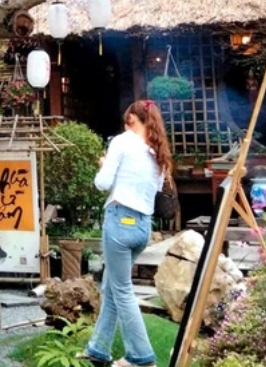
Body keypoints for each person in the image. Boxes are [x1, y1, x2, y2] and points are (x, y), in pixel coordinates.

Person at [83, 99, 172, 367]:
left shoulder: (122, 142)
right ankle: (98, 348)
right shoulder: (159, 153)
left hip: (120, 221)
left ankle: (141, 357)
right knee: (111, 285)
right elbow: (151, 190)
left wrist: (103, 164)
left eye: (126, 119)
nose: (125, 124)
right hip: (142, 227)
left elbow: (103, 184)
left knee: (121, 289)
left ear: (133, 119)